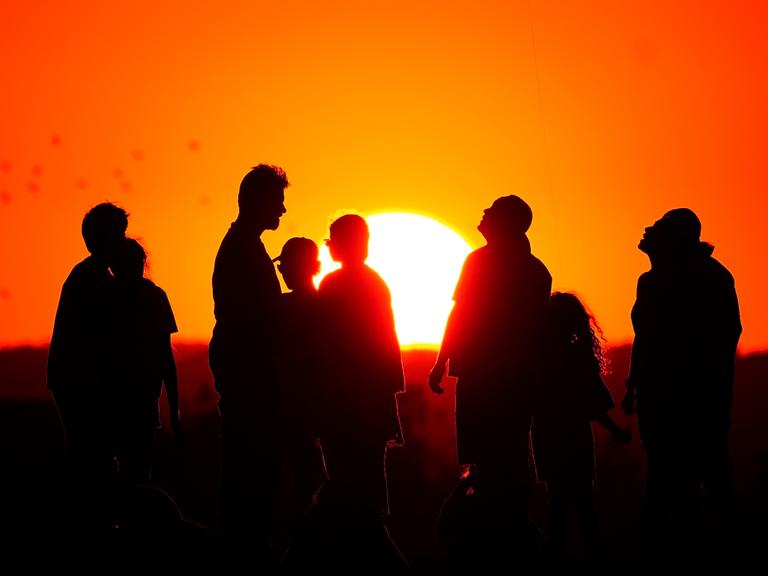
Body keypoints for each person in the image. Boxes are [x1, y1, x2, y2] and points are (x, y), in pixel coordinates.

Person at [429, 195, 551, 555]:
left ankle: (504, 536)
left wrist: (441, 361)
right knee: (506, 456)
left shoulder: (481, 262)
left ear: (507, 223)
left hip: (488, 377)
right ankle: (508, 534)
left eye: (492, 211)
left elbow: (460, 314)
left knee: (492, 457)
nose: (483, 213)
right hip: (513, 379)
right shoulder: (536, 270)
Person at [621, 208, 741, 554]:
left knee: (709, 474)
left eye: (658, 227)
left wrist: (697, 382)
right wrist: (634, 384)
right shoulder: (651, 280)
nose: (647, 229)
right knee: (664, 472)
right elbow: (644, 337)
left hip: (698, 398)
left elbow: (724, 335)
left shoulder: (711, 277)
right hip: (659, 395)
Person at [208, 164, 288, 555]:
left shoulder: (243, 245)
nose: (283, 211)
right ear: (258, 201)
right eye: (278, 201)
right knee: (248, 460)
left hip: (245, 366)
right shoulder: (243, 248)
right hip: (247, 370)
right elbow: (255, 317)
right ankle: (245, 547)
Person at [316, 214, 405, 523]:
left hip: (346, 400)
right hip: (368, 397)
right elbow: (387, 342)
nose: (328, 247)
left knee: (346, 479)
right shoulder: (373, 283)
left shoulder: (334, 284)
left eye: (332, 241)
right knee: (368, 479)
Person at [47, 202, 128, 528]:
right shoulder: (94, 279)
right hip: (82, 381)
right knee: (91, 455)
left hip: (74, 378)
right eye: (119, 234)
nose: (123, 241)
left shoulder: (88, 275)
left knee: (86, 453)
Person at [532, 292, 630, 558]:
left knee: (556, 505)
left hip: (547, 436)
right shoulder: (576, 358)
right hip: (574, 438)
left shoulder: (537, 360)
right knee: (584, 505)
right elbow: (592, 405)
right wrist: (616, 430)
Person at [110, 238, 180, 485]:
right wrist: (174, 409)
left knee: (131, 472)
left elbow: (165, 356)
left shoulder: (150, 296)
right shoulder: (151, 296)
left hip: (133, 401)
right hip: (123, 400)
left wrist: (173, 408)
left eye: (139, 261)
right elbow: (165, 356)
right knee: (136, 473)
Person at [273, 237, 327, 522]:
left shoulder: (281, 308)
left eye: (284, 265)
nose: (282, 271)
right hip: (315, 405)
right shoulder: (327, 305)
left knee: (300, 483)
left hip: (292, 406)